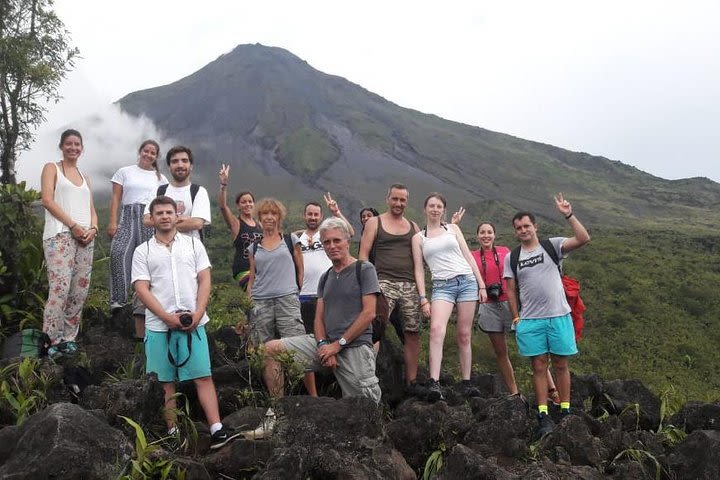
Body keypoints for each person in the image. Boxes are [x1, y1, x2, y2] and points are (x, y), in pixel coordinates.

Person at [132, 196, 238, 450]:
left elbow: (204, 278)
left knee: (203, 376)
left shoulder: (193, 245)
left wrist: (199, 312)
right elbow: (141, 288)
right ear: (152, 219)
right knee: (165, 382)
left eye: (169, 212)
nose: (165, 216)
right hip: (159, 326)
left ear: (177, 216)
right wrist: (167, 317)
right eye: (160, 213)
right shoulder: (142, 251)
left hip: (194, 322)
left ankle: (216, 428)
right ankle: (173, 432)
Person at [265, 217, 382, 405]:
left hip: (355, 347)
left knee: (365, 407)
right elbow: (319, 319)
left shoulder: (364, 269)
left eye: (337, 240)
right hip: (326, 344)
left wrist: (338, 345)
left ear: (347, 241)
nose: (332, 246)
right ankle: (276, 413)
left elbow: (369, 313)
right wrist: (322, 345)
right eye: (326, 242)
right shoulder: (325, 277)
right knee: (271, 349)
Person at [504, 193, 590, 436]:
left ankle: (565, 409)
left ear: (535, 227)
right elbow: (509, 289)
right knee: (539, 366)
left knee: (561, 364)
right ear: (515, 231)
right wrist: (516, 317)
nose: (523, 230)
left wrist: (568, 215)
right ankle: (543, 414)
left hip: (558, 316)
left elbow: (583, 238)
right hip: (530, 320)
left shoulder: (552, 245)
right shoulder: (513, 257)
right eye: (519, 227)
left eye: (526, 226)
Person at [246, 198, 314, 437]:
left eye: (273, 214)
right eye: (264, 214)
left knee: (298, 348)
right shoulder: (254, 247)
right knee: (265, 353)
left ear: (279, 217)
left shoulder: (290, 240)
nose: (269, 218)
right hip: (261, 301)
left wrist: (295, 289)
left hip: (287, 299)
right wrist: (248, 306)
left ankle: (313, 400)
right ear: (259, 217)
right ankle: (278, 407)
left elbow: (300, 268)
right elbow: (253, 278)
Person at [412, 193, 487, 401]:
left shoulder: (453, 229)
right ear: (425, 209)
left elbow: (468, 256)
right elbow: (419, 269)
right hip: (441, 286)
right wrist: (423, 298)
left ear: (443, 210)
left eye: (439, 206)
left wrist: (481, 285)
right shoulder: (418, 238)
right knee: (436, 330)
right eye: (431, 205)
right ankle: (434, 382)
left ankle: (466, 382)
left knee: (464, 334)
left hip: (467, 282)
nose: (435, 209)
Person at [359, 184, 422, 396]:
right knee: (375, 328)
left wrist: (422, 293)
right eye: (395, 199)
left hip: (409, 284)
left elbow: (419, 261)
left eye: (402, 200)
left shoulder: (413, 226)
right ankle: (367, 377)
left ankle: (411, 382)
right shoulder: (374, 222)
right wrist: (366, 283)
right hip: (382, 281)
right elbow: (364, 254)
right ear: (387, 199)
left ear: (407, 201)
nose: (398, 203)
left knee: (413, 332)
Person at [40, 129, 98, 359]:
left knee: (78, 291)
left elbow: (92, 210)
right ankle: (50, 340)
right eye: (69, 144)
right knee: (60, 288)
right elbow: (47, 200)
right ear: (62, 146)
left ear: (81, 149)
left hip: (85, 238)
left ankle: (68, 338)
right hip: (60, 235)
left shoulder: (86, 177)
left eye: (77, 144)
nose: (73, 148)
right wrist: (73, 225)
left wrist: (93, 229)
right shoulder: (52, 168)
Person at [108, 140, 169, 338]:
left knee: (148, 260)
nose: (149, 155)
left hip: (149, 217)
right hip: (127, 215)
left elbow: (164, 202)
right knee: (119, 253)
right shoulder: (124, 172)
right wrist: (112, 222)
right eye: (146, 151)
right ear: (140, 151)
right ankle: (118, 302)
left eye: (153, 153)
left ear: (156, 156)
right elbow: (116, 198)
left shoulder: (161, 178)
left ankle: (144, 304)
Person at [297, 194, 355, 335]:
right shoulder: (297, 237)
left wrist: (336, 212)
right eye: (310, 214)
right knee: (307, 334)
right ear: (304, 216)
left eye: (316, 214)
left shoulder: (327, 236)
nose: (313, 217)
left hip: (326, 292)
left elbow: (350, 233)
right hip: (303, 294)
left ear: (321, 216)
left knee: (329, 331)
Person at [473, 222, 519, 396]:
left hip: (509, 303)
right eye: (482, 232)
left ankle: (550, 389)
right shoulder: (473, 256)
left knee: (530, 345)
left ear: (495, 234)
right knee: (501, 352)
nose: (486, 235)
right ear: (477, 236)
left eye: (489, 232)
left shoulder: (504, 251)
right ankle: (514, 392)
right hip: (488, 306)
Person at [143, 145, 210, 241]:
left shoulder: (199, 191)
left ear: (191, 166)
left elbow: (197, 223)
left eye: (184, 161)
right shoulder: (158, 191)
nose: (180, 165)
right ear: (169, 166)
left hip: (191, 250)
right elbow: (146, 220)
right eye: (175, 161)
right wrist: (184, 219)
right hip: (161, 250)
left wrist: (162, 222)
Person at [218, 164, 261, 289]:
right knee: (255, 290)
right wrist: (223, 185)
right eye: (243, 202)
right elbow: (222, 207)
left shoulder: (260, 224)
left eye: (250, 201)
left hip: (260, 269)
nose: (247, 204)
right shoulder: (236, 224)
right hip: (244, 270)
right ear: (238, 206)